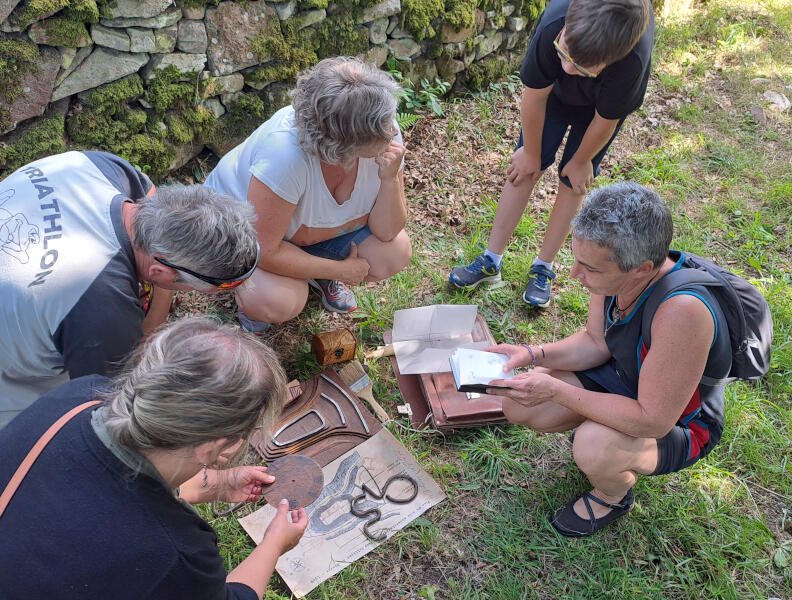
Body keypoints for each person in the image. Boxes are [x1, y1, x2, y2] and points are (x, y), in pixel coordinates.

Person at [0, 317, 308, 599]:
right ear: (215, 446)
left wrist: (218, 484)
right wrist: (273, 545)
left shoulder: (78, 398)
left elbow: (114, 482)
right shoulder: (176, 554)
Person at [486, 182, 732, 536]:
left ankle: (612, 495)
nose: (574, 275)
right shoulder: (615, 276)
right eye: (576, 261)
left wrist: (556, 390)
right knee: (520, 406)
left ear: (642, 270)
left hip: (679, 422)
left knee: (594, 445)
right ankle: (610, 442)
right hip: (627, 375)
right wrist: (530, 353)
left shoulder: (683, 313)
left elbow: (653, 421)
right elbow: (596, 341)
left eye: (589, 269)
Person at [0, 151, 259, 434]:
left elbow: (149, 190)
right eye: (194, 286)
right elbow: (116, 391)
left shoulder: (102, 168)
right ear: (160, 272)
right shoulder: (101, 309)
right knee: (67, 422)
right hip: (4, 383)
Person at [449, 0, 654, 308]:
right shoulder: (554, 24)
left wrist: (582, 160)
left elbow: (606, 119)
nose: (567, 68)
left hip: (597, 112)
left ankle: (543, 266)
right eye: (564, 53)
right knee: (523, 169)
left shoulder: (631, 62)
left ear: (613, 59)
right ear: (566, 29)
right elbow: (534, 97)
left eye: (581, 67)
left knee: (574, 182)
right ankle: (491, 260)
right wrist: (530, 153)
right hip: (550, 99)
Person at [205, 56, 411, 334]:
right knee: (277, 300)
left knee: (395, 252)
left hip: (310, 233)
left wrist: (389, 181)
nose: (392, 134)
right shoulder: (285, 157)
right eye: (382, 132)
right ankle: (254, 311)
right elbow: (263, 250)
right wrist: (339, 270)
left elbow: (388, 232)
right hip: (248, 237)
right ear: (343, 143)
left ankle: (317, 271)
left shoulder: (381, 127)